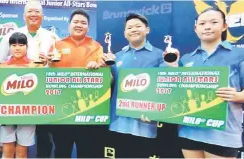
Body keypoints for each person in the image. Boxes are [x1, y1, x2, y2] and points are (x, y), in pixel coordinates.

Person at [165, 7, 244, 158]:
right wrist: (172, 67)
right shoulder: (186, 59)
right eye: (202, 24)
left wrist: (238, 96)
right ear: (196, 29)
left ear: (224, 26)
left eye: (214, 22)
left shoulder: (239, 55)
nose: (207, 27)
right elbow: (175, 92)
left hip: (222, 134)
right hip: (189, 130)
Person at [0, 1, 59, 157]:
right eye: (30, 11)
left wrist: (50, 61)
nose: (33, 14)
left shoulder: (52, 37)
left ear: (43, 16)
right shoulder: (12, 34)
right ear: (23, 15)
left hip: (40, 100)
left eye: (37, 11)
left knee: (42, 140)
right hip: (12, 101)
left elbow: (60, 64)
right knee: (8, 146)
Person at [104, 13, 165, 158]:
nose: (133, 30)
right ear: (125, 33)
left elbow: (166, 89)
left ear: (147, 30)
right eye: (129, 27)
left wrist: (155, 112)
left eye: (138, 26)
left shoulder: (160, 56)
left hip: (146, 125)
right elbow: (110, 85)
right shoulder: (117, 57)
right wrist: (103, 69)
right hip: (118, 124)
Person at [47, 9, 106, 158]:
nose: (79, 25)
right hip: (61, 111)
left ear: (88, 26)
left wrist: (97, 65)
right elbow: (47, 74)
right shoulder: (57, 45)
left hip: (88, 111)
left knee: (87, 152)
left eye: (83, 23)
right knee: (61, 152)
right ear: (69, 25)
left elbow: (103, 71)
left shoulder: (96, 46)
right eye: (76, 22)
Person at [0, 32, 42, 158]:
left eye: (21, 44)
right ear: (9, 47)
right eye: (13, 45)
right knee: (7, 152)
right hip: (7, 113)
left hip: (28, 113)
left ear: (27, 47)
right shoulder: (1, 67)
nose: (17, 48)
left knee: (22, 153)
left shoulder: (36, 66)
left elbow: (41, 92)